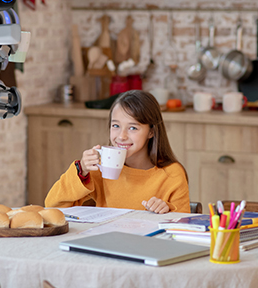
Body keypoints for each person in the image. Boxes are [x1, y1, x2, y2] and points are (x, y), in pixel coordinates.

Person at [45, 90, 190, 214]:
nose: (121, 136)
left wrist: (167, 209)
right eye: (115, 126)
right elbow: (53, 206)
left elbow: (184, 226)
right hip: (105, 244)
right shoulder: (100, 168)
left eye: (133, 128)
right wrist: (81, 169)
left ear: (151, 131)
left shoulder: (172, 174)